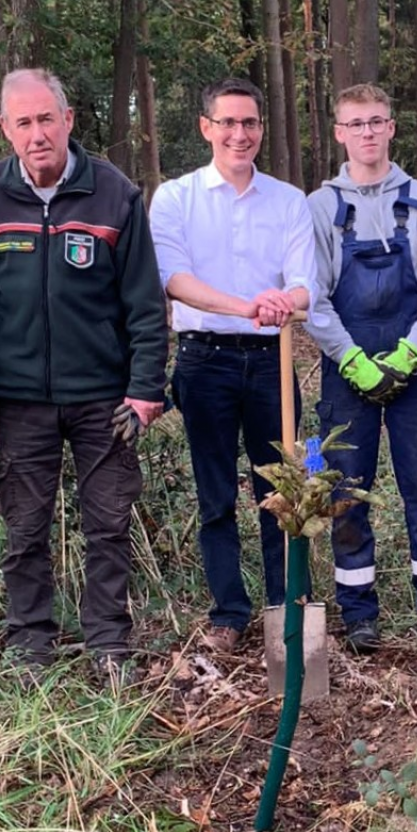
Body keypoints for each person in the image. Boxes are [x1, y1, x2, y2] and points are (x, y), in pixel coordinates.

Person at [0, 68, 168, 684]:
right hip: (18, 400)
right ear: (5, 129)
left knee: (108, 523)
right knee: (25, 528)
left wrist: (146, 387)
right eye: (22, 122)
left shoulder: (114, 193)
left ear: (68, 120)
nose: (37, 132)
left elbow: (145, 304)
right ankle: (31, 646)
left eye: (46, 118)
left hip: (105, 398)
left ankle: (109, 643)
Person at [149, 78, 316, 654]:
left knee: (283, 490)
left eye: (249, 123)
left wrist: (281, 303)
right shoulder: (175, 198)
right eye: (228, 123)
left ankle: (285, 606)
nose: (239, 134)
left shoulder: (289, 200)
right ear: (206, 128)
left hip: (274, 362)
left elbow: (304, 285)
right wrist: (245, 305)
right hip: (205, 362)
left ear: (261, 129)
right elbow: (174, 279)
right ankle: (228, 611)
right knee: (215, 493)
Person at [305, 84, 417, 653]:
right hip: (345, 373)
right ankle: (358, 612)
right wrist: (351, 359)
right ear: (339, 132)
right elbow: (313, 297)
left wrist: (407, 355)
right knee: (346, 492)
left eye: (377, 122)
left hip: (412, 372)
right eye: (356, 124)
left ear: (392, 128)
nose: (367, 133)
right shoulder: (320, 206)